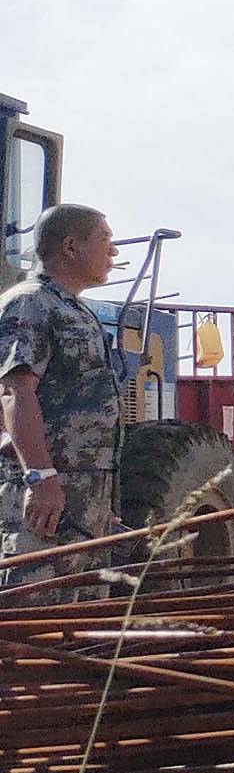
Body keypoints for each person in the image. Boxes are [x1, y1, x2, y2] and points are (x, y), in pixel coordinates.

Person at [0, 201, 123, 561]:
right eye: (104, 239)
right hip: (43, 500)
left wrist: (100, 504)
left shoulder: (77, 310)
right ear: (71, 247)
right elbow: (14, 391)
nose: (113, 250)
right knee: (35, 607)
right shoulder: (29, 303)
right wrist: (40, 476)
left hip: (81, 504)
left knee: (80, 613)